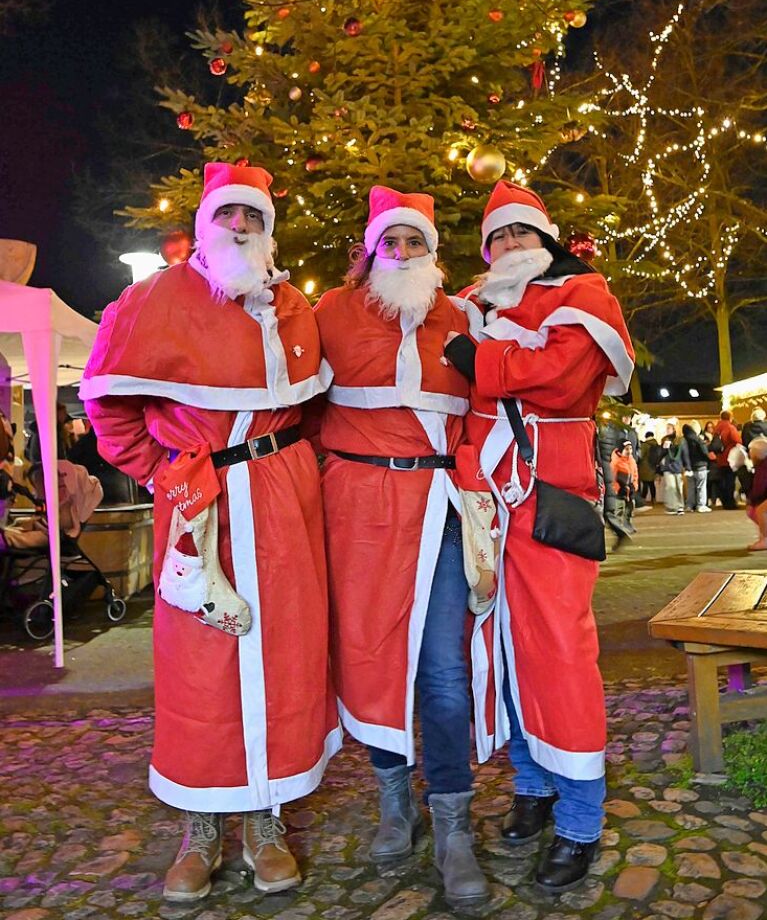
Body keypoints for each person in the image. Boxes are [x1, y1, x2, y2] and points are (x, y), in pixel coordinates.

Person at [80, 163, 341, 902]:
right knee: (202, 660)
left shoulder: (291, 304)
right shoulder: (152, 300)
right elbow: (108, 411)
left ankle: (265, 818)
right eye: (226, 216)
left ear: (266, 229)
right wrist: (168, 471)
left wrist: (292, 475)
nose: (238, 228)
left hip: (282, 501)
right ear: (204, 223)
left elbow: (311, 410)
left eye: (251, 219)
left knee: (281, 651)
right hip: (198, 500)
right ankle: (200, 824)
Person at [444, 181, 634, 893]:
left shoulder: (586, 296)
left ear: (545, 240)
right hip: (482, 503)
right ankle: (531, 785)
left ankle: (581, 816)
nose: (510, 248)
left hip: (547, 500)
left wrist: (478, 363)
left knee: (558, 651)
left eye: (522, 235)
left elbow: (554, 378)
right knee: (497, 651)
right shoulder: (474, 305)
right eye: (498, 239)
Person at [313, 186, 490, 909]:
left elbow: (488, 412)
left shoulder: (464, 317)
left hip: (438, 511)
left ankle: (453, 824)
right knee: (370, 655)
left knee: (443, 671)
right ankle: (395, 802)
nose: (404, 253)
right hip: (355, 511)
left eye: (415, 242)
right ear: (371, 248)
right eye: (392, 241)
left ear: (434, 251)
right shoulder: (328, 313)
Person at [682, 422, 713, 513]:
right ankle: (701, 505)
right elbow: (704, 452)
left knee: (690, 487)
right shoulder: (698, 439)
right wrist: (708, 458)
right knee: (701, 487)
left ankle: (689, 505)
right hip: (700, 466)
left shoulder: (685, 440)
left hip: (689, 467)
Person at [713, 411, 740, 509]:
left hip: (720, 458)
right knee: (730, 482)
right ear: (730, 417)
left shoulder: (717, 428)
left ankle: (724, 501)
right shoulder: (730, 427)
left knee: (722, 481)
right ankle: (730, 503)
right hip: (729, 458)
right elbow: (737, 440)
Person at [610, 441, 638, 532]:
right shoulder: (616, 462)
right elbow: (612, 477)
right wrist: (616, 488)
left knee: (630, 507)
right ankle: (618, 527)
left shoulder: (632, 460)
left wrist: (635, 484)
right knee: (620, 508)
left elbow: (635, 473)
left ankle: (627, 523)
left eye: (630, 449)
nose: (629, 451)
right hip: (620, 489)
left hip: (630, 488)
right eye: (626, 449)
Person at [656, 434, 687, 514]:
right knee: (671, 487)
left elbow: (684, 455)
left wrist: (687, 467)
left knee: (677, 488)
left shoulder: (681, 442)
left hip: (676, 468)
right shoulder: (666, 442)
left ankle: (679, 506)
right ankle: (673, 507)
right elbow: (661, 455)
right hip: (669, 468)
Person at [745, 437, 767, 550]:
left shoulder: (763, 467)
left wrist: (751, 500)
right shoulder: (762, 465)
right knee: (758, 510)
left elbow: (759, 486)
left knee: (760, 510)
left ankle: (765, 539)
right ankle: (763, 536)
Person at [638, 430, 660, 506]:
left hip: (645, 467)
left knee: (645, 485)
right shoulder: (656, 445)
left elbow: (641, 455)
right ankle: (653, 499)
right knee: (651, 484)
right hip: (653, 467)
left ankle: (643, 500)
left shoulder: (645, 445)